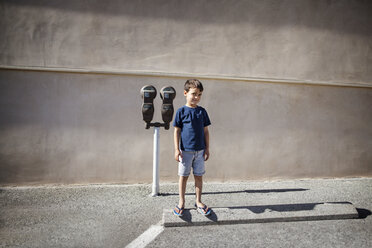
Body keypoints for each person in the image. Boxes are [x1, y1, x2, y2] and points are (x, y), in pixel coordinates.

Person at [173, 79, 211, 216]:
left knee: (198, 176)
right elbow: (177, 131)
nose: (197, 97)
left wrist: (207, 148)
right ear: (185, 93)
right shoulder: (181, 112)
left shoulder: (202, 112)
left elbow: (206, 131)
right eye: (194, 94)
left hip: (200, 151)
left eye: (199, 94)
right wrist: (177, 149)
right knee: (183, 177)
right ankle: (181, 202)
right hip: (185, 152)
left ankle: (198, 201)